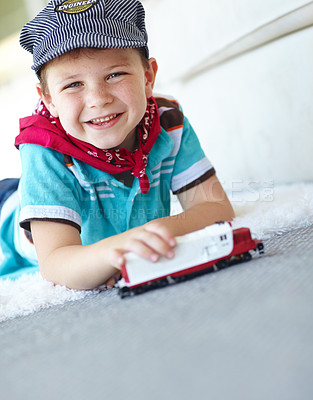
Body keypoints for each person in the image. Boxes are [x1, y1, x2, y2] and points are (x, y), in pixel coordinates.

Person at [0, 0, 234, 289]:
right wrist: (116, 250)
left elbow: (217, 208)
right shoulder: (43, 148)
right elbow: (56, 263)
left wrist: (157, 230)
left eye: (115, 75)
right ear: (49, 100)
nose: (98, 98)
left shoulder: (168, 121)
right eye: (73, 84)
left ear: (148, 78)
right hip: (8, 214)